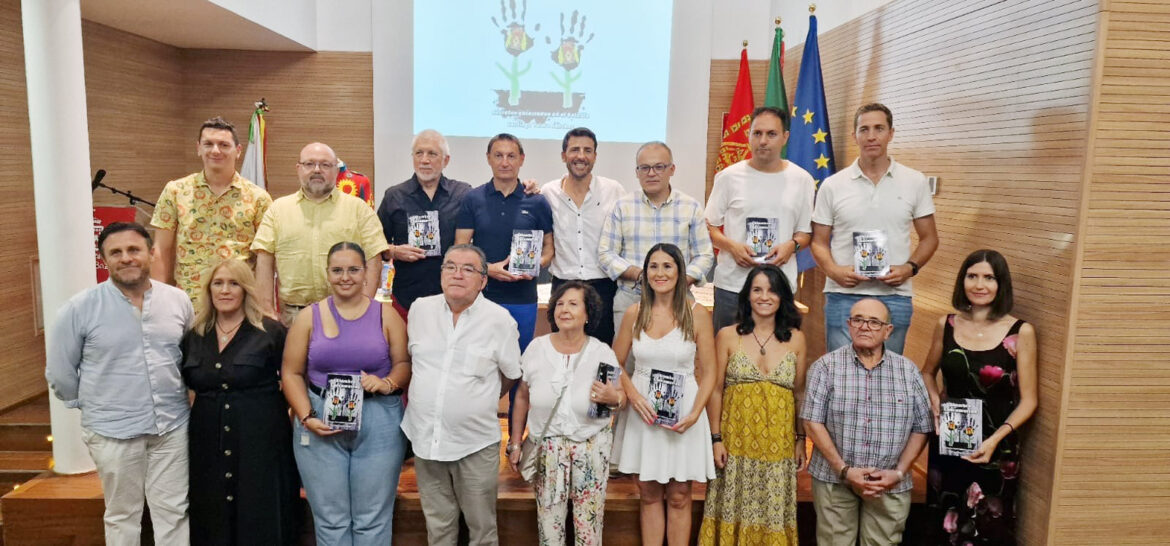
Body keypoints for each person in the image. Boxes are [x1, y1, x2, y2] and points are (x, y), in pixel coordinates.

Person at [45, 222, 193, 546]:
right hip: (112, 431)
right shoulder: (79, 309)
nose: (126, 258)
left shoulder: (178, 301)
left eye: (134, 250)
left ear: (151, 254)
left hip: (171, 427)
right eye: (116, 252)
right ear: (105, 259)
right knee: (123, 515)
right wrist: (97, 406)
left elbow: (190, 359)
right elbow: (59, 373)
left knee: (174, 512)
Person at [281, 242, 411, 545]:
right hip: (320, 418)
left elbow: (404, 363)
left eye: (353, 269)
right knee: (330, 519)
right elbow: (291, 372)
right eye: (337, 270)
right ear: (327, 274)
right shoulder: (308, 317)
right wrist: (306, 416)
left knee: (373, 519)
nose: (345, 277)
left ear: (366, 273)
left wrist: (387, 383)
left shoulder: (386, 315)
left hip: (378, 419)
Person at [402, 244, 523, 546]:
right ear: (441, 273)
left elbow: (510, 375)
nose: (457, 274)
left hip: (474, 443)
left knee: (482, 530)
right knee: (438, 528)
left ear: (483, 280)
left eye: (468, 269)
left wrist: (473, 401)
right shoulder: (420, 309)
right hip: (426, 440)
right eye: (450, 266)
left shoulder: (500, 320)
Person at [923, 249, 1038, 545]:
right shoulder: (945, 324)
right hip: (951, 437)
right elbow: (926, 373)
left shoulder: (1020, 332)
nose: (979, 284)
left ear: (1001, 285)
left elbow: (1029, 400)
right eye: (972, 276)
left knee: (989, 527)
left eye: (989, 277)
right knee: (945, 523)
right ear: (962, 281)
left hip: (996, 447)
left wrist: (995, 440)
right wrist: (935, 399)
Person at [180, 259, 297, 545]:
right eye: (218, 283)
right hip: (207, 439)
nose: (225, 290)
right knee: (212, 509)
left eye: (234, 283)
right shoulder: (194, 335)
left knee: (259, 510)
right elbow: (185, 385)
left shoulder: (271, 332)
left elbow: (294, 378)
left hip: (261, 438)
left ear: (246, 289)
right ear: (208, 290)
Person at [801, 298, 933, 546]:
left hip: (889, 483)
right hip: (834, 479)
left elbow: (922, 427)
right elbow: (812, 421)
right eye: (858, 320)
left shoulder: (908, 371)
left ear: (888, 331)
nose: (864, 327)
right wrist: (844, 469)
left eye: (874, 322)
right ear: (849, 325)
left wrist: (899, 472)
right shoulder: (826, 367)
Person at [810, 103, 939, 354]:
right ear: (854, 136)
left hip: (895, 296)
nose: (871, 136)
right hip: (843, 295)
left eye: (879, 128)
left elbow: (930, 239)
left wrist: (909, 269)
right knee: (842, 375)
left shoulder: (915, 182)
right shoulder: (832, 185)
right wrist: (834, 271)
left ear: (891, 133)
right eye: (864, 129)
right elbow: (818, 241)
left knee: (887, 377)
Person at [613, 243, 717, 546]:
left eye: (667, 266)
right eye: (653, 266)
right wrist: (632, 394)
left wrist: (697, 413)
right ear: (645, 274)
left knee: (680, 494)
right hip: (643, 408)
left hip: (685, 406)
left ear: (680, 271)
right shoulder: (635, 313)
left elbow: (709, 371)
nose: (660, 273)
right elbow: (614, 361)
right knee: (647, 492)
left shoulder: (697, 314)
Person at [506, 281, 625, 544]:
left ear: (588, 314)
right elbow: (522, 396)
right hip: (548, 447)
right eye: (559, 304)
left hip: (591, 446)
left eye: (573, 304)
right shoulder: (537, 347)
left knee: (589, 528)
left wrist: (612, 397)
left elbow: (619, 397)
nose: (564, 309)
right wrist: (515, 442)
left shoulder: (601, 351)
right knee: (549, 527)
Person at [699, 264, 808, 545]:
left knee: (772, 514)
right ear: (746, 295)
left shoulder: (797, 339)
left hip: (778, 446)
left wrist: (800, 440)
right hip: (735, 445)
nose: (764, 296)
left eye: (772, 290)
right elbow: (715, 391)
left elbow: (799, 394)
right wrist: (716, 439)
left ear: (783, 296)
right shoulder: (726, 335)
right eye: (757, 289)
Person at [454, 133, 553, 432]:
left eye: (512, 156)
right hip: (482, 299)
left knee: (518, 370)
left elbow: (549, 250)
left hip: (522, 299)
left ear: (522, 159)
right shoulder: (473, 199)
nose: (505, 161)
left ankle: (515, 438)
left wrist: (536, 265)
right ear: (488, 159)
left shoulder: (537, 201)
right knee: (479, 367)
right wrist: (487, 269)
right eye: (498, 155)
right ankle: (474, 429)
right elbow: (460, 248)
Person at [253, 142, 389, 324]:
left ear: (336, 170)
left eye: (325, 165)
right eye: (309, 164)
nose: (317, 170)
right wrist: (266, 310)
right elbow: (264, 260)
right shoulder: (277, 210)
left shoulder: (359, 209)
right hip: (293, 317)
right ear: (298, 168)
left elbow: (374, 260)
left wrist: (364, 308)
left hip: (347, 314)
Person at [705, 106, 815, 331]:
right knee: (726, 358)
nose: (763, 140)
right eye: (757, 133)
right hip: (733, 287)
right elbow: (709, 227)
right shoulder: (728, 177)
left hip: (778, 287)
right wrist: (732, 247)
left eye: (771, 134)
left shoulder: (802, 179)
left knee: (775, 359)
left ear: (785, 137)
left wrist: (791, 246)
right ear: (749, 136)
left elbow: (805, 233)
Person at [598, 141, 714, 339]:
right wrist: (641, 275)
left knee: (678, 363)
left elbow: (705, 255)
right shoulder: (622, 207)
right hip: (631, 298)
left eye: (659, 167)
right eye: (644, 168)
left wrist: (678, 281)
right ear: (637, 172)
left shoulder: (690, 207)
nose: (651, 173)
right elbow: (605, 253)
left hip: (679, 300)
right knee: (627, 364)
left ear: (672, 169)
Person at [151, 117, 273, 305]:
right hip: (189, 302)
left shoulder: (259, 198)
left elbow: (265, 258)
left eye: (224, 145)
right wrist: (158, 301)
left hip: (239, 303)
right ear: (198, 148)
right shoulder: (175, 191)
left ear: (238, 151)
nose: (215, 150)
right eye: (208, 144)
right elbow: (161, 250)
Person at [542, 127, 626, 344]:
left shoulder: (613, 190)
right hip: (563, 285)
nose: (581, 156)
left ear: (595, 157)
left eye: (588, 150)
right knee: (563, 347)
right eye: (574, 150)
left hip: (603, 286)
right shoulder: (547, 192)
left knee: (603, 351)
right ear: (563, 156)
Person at [377, 129, 472, 314]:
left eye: (432, 154)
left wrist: (525, 187)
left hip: (454, 298)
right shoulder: (394, 196)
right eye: (419, 153)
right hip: (407, 297)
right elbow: (374, 245)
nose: (424, 160)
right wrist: (395, 251)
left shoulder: (463, 194)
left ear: (446, 160)